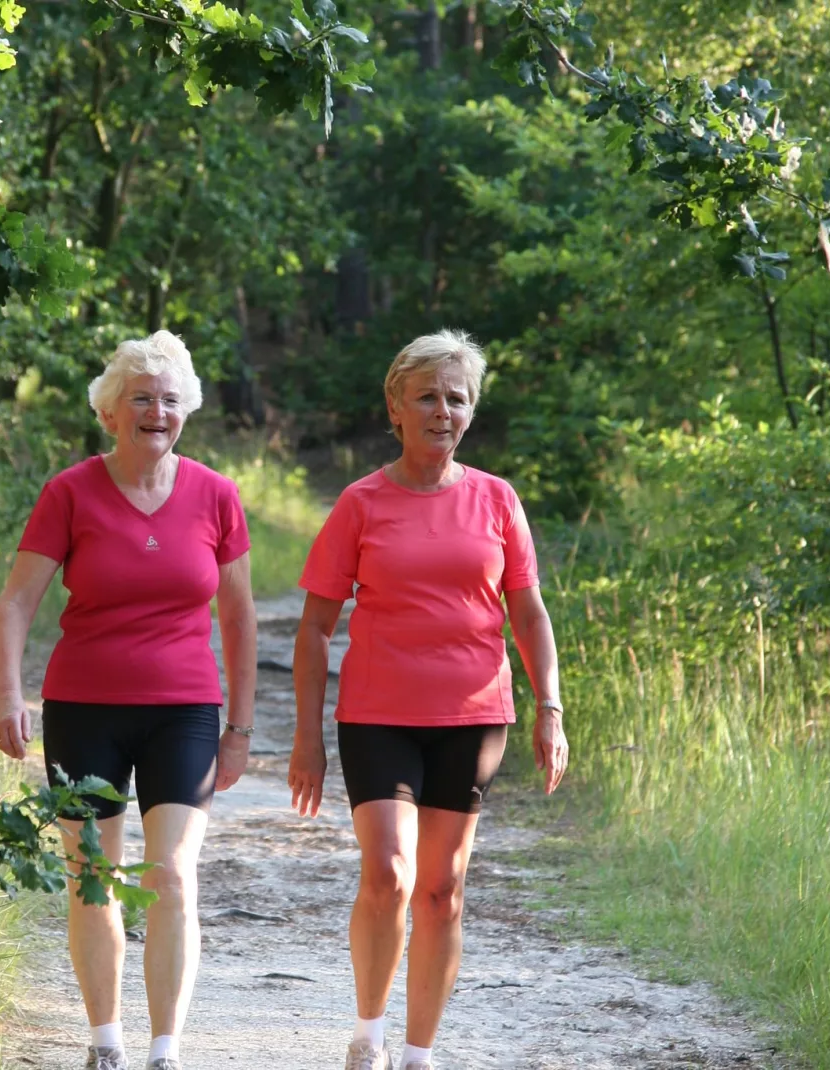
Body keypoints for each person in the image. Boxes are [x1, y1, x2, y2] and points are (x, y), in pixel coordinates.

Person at [287, 330, 568, 1070]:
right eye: (428, 397)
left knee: (442, 891)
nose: (442, 411)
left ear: (470, 411)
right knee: (389, 874)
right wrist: (307, 739)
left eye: (457, 397)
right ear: (396, 406)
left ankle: (418, 1052)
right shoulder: (360, 504)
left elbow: (528, 612)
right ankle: (368, 1036)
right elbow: (316, 628)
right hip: (378, 714)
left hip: (473, 716)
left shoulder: (497, 500)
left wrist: (551, 709)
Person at [0, 330, 258, 1070]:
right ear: (111, 413)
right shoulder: (69, 492)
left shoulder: (216, 495)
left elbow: (238, 619)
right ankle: (105, 1041)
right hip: (85, 708)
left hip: (184, 711)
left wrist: (240, 727)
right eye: (141, 398)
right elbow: (14, 605)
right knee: (93, 875)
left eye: (170, 400)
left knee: (172, 872)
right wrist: (6, 694)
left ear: (186, 413)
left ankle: (165, 1049)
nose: (156, 412)